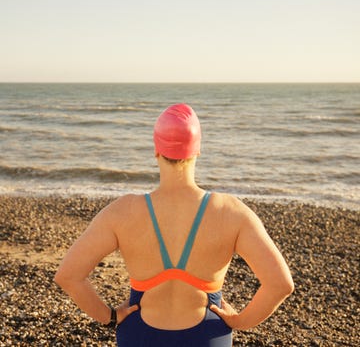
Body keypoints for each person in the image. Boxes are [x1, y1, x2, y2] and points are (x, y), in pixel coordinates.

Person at [55, 103, 294, 346]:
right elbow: (280, 284)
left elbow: (69, 276)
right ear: (197, 150)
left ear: (156, 151)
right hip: (208, 337)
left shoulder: (122, 212)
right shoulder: (231, 212)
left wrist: (109, 316)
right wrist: (239, 321)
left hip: (139, 336)